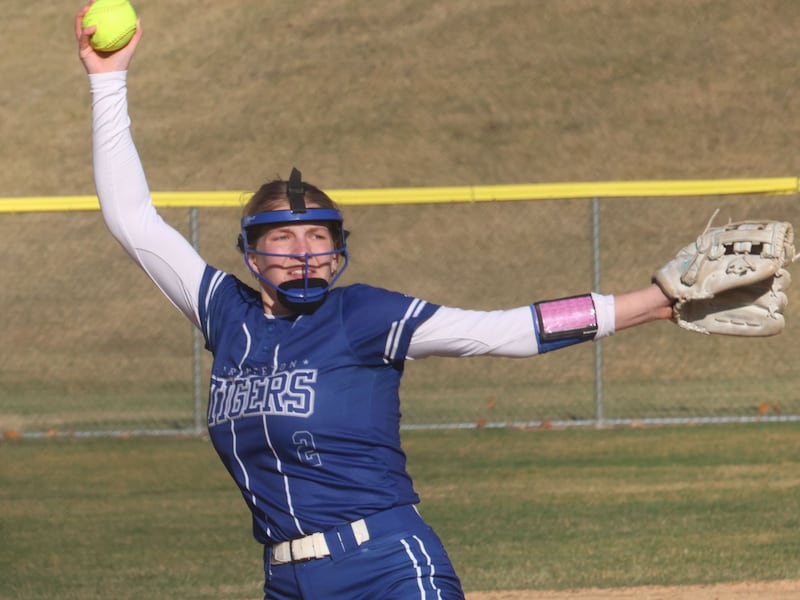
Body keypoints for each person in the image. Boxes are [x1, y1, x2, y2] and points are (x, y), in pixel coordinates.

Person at [75, 4, 674, 599]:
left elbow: (504, 331)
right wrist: (108, 79)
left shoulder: (361, 315)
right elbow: (132, 220)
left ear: (338, 250)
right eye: (282, 236)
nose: (304, 251)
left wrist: (653, 301)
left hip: (387, 565)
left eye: (319, 236)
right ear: (251, 252)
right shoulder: (224, 312)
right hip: (286, 580)